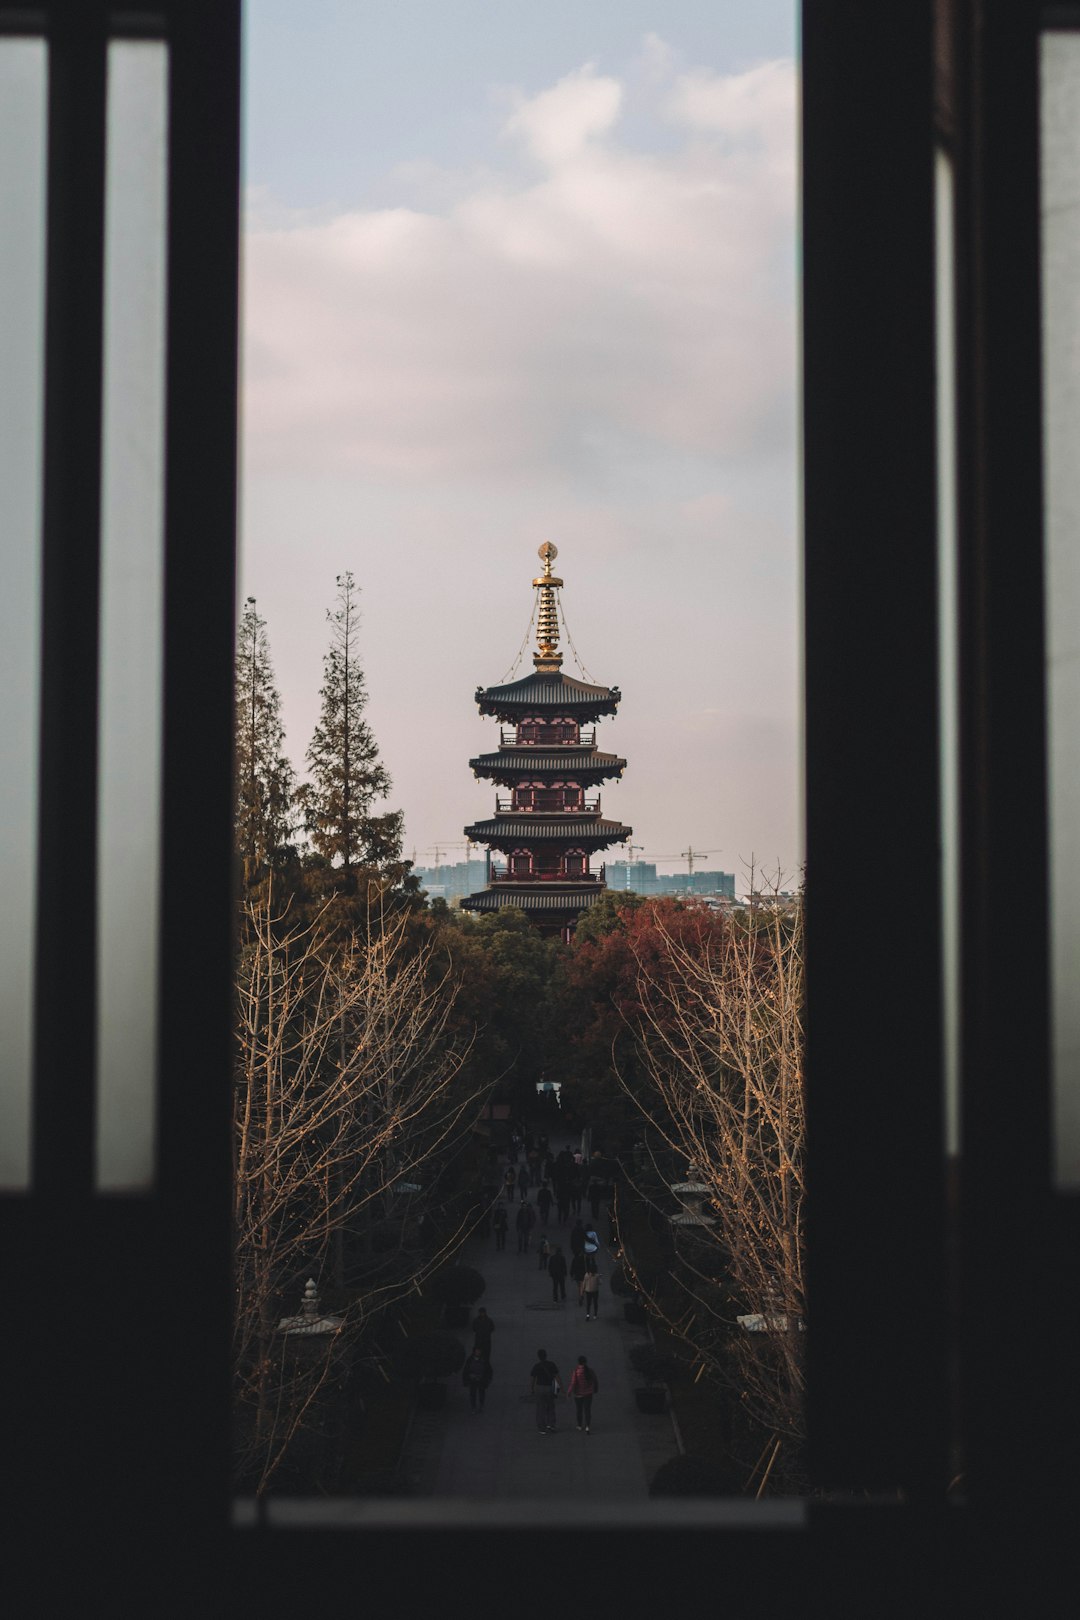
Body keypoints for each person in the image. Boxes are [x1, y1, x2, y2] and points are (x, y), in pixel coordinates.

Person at [530, 1347, 561, 1433]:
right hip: (549, 1388)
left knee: (540, 1408)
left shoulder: (536, 1366)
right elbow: (557, 1377)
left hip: (539, 1388)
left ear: (538, 1357)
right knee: (550, 1407)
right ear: (546, 1355)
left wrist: (532, 1389)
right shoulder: (551, 1364)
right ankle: (551, 1425)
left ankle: (541, 1428)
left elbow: (532, 1379)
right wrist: (560, 1388)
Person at [566, 1355, 599, 1432]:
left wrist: (569, 1392)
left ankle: (579, 1425)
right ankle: (587, 1426)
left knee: (579, 1410)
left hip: (578, 1394)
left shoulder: (576, 1371)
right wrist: (595, 1389)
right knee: (587, 1410)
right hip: (588, 1394)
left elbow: (573, 1383)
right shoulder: (590, 1370)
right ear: (585, 1362)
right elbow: (595, 1380)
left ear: (578, 1362)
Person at [462, 1348, 493, 1412]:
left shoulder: (484, 1360)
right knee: (473, 1393)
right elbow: (466, 1370)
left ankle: (481, 1405)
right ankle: (473, 1407)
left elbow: (489, 1370)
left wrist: (487, 1378)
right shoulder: (470, 1360)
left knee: (481, 1393)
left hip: (481, 1379)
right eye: (476, 1351)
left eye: (479, 1351)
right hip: (472, 1380)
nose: (478, 1352)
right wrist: (468, 1377)